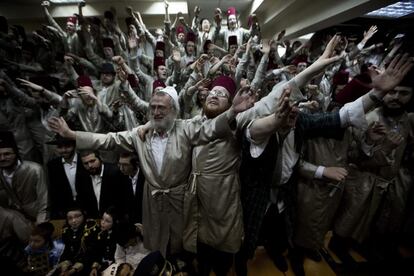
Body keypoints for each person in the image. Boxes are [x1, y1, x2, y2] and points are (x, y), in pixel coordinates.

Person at [47, 82, 254, 258]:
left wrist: (233, 111)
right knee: (158, 243)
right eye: (153, 107)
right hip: (152, 200)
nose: (156, 112)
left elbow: (211, 129)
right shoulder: (140, 134)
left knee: (182, 246)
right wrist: (72, 134)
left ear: (173, 110)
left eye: (162, 108)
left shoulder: (185, 129)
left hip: (180, 199)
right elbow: (109, 140)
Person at [0, 131, 48, 244]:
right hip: (17, 222)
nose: (2, 158)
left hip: (38, 220)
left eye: (7, 154)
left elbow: (45, 202)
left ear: (15, 153)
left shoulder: (34, 170)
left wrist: (41, 228)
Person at [47, 134, 87, 219]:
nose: (64, 150)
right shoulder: (52, 165)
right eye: (60, 147)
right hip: (65, 209)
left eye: (68, 146)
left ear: (74, 145)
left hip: (87, 206)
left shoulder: (85, 161)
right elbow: (54, 191)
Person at [77, 150, 125, 218]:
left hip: (115, 218)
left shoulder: (115, 172)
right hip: (94, 219)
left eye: (92, 161)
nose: (90, 165)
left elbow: (123, 199)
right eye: (85, 163)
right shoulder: (82, 177)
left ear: (100, 159)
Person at [118, 151, 145, 224]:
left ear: (136, 164)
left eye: (125, 165)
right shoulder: (120, 177)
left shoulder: (146, 177)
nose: (121, 168)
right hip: (131, 222)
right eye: (119, 164)